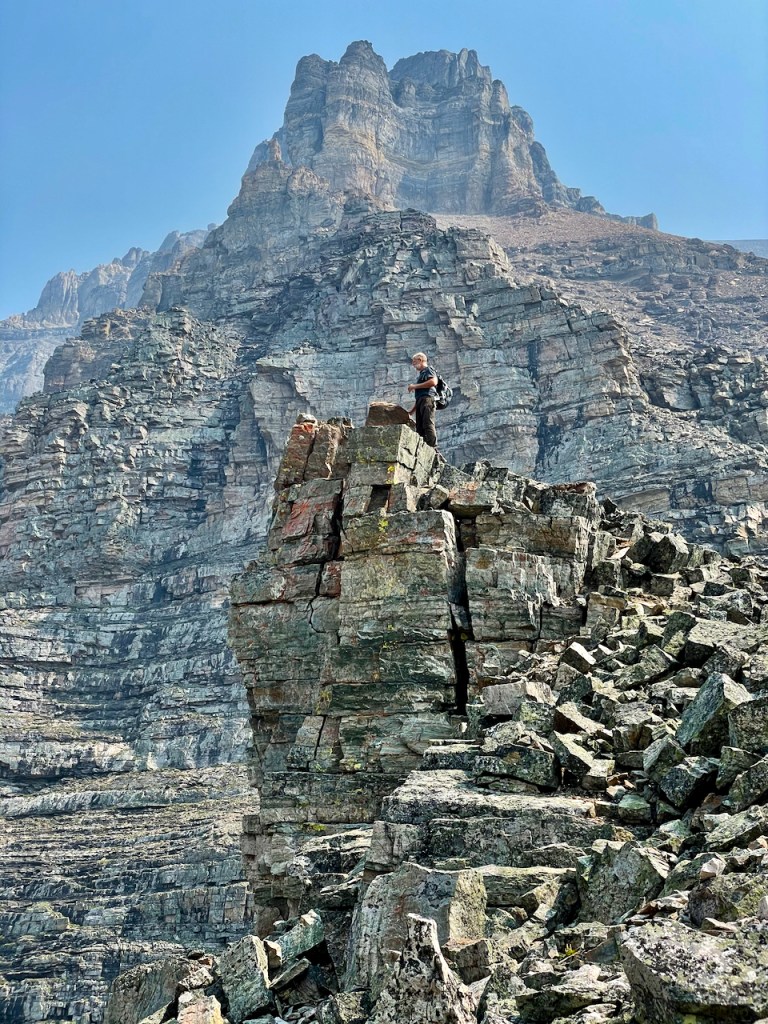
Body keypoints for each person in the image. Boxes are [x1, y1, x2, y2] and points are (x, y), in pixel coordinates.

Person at [407, 352, 438, 448]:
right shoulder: (422, 374)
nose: (413, 364)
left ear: (420, 360)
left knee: (427, 423)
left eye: (414, 361)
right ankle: (423, 448)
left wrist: (415, 386)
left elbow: (433, 381)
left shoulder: (428, 370)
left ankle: (432, 447)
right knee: (420, 427)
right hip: (421, 401)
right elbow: (420, 396)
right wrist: (412, 411)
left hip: (427, 400)